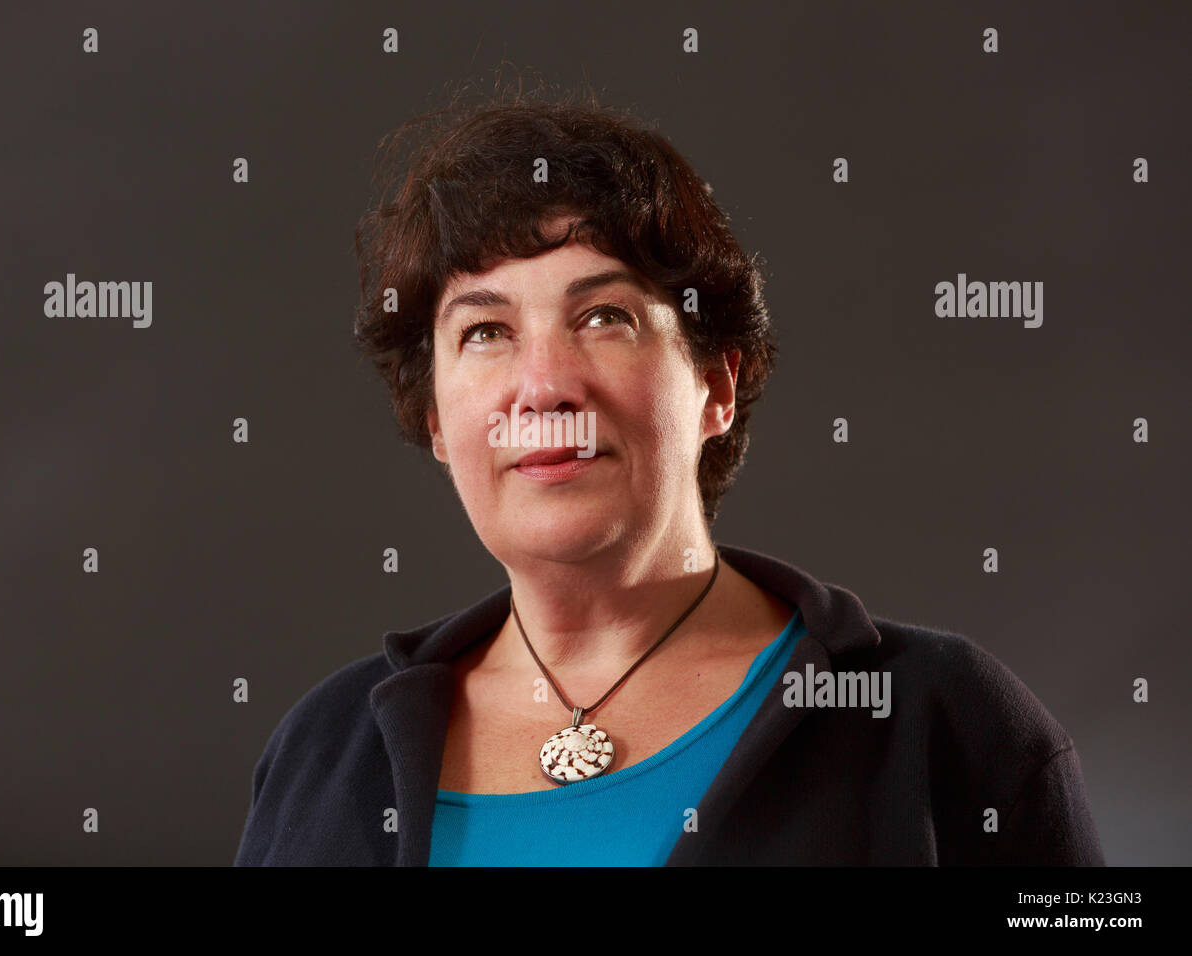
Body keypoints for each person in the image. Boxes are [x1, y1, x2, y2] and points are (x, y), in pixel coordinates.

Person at [234, 79, 1105, 866]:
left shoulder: (943, 720)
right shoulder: (322, 750)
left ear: (716, 384)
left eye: (604, 316)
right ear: (434, 418)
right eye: (485, 331)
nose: (544, 385)